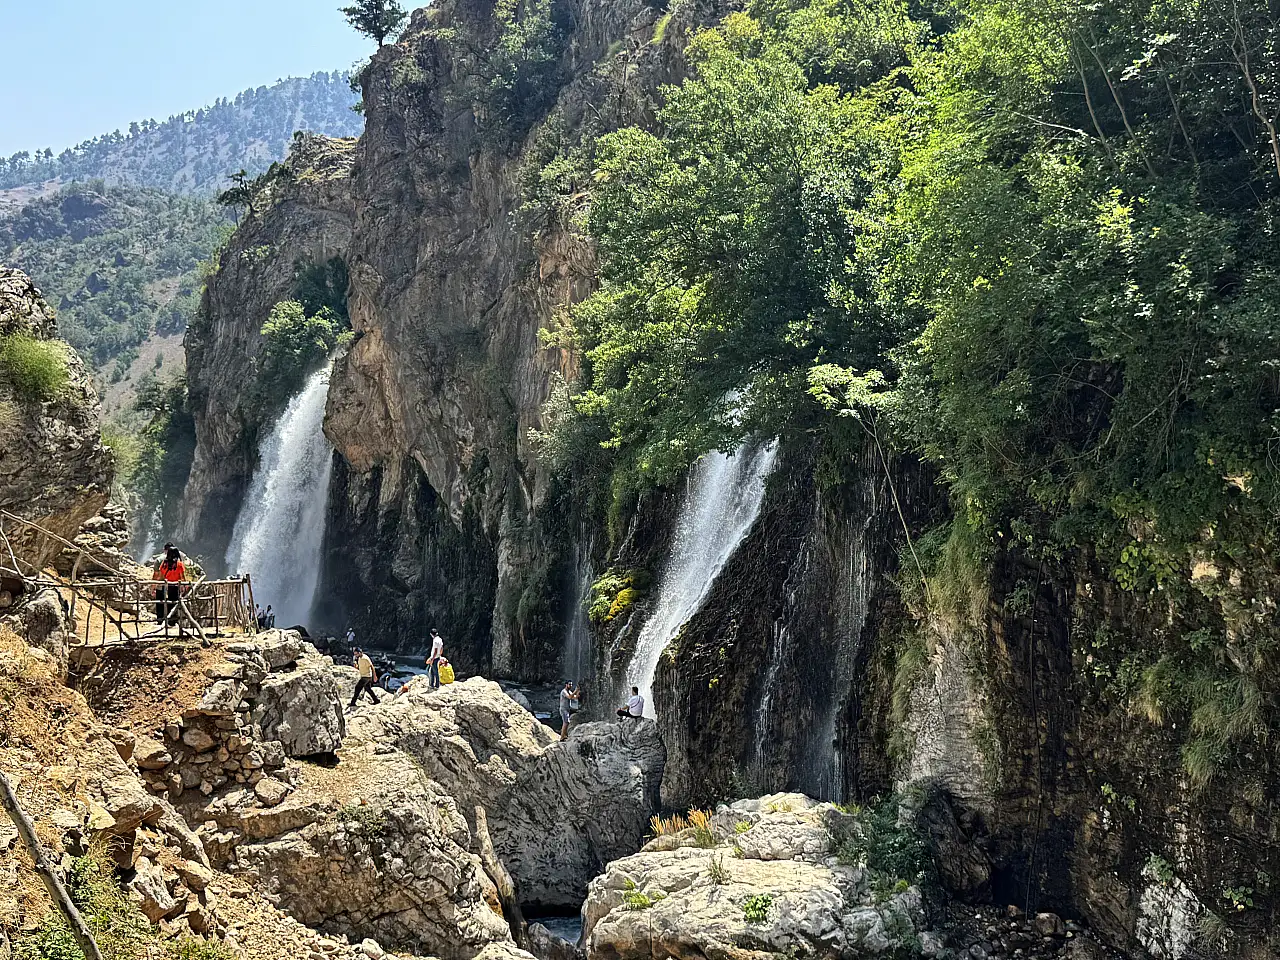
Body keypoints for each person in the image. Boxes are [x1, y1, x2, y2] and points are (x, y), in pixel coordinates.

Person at [153, 544, 185, 625]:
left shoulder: (164, 563)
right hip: (174, 587)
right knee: (173, 603)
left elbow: (161, 576)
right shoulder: (179, 564)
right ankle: (172, 621)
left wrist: (156, 585)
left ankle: (160, 621)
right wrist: (184, 586)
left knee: (161, 603)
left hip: (165, 586)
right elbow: (182, 577)